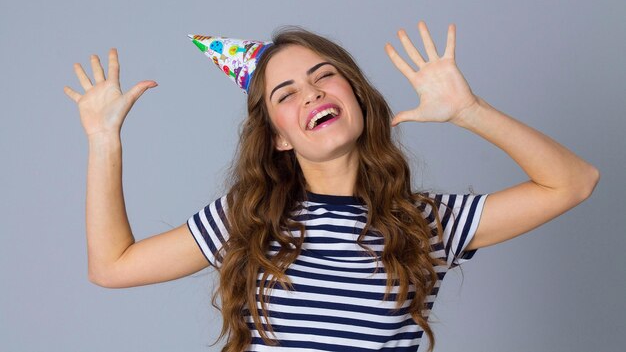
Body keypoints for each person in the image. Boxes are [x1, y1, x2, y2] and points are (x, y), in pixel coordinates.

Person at [63, 21, 600, 352]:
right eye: (287, 93)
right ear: (277, 137)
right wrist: (103, 139)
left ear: (357, 95)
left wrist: (469, 111)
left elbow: (573, 182)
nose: (312, 93)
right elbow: (112, 266)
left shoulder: (427, 223)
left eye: (324, 76)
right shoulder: (247, 218)